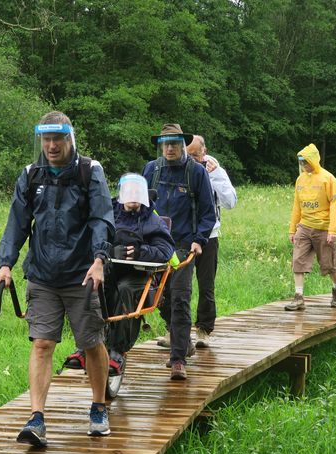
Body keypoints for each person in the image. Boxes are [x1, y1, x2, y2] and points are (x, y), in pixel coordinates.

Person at [0, 111, 115, 447]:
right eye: (45, 140)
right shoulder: (31, 175)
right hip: (43, 275)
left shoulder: (90, 172)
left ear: (68, 139)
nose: (50, 146)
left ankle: (99, 406)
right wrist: (5, 264)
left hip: (81, 275)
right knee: (42, 343)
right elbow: (16, 222)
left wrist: (100, 260)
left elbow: (102, 219)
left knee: (91, 343)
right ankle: (36, 418)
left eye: (56, 139)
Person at [65, 173, 175, 376]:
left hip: (138, 274)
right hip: (110, 269)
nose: (133, 195)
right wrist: (108, 250)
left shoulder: (153, 220)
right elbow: (90, 239)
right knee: (94, 288)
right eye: (129, 191)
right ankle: (85, 347)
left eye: (137, 191)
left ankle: (117, 351)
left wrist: (141, 252)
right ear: (121, 194)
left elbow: (166, 250)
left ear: (143, 195)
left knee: (125, 290)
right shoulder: (108, 217)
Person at [143, 124, 216, 380]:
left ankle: (177, 360)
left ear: (183, 145)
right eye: (166, 144)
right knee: (157, 298)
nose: (170, 148)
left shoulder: (196, 173)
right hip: (154, 246)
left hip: (184, 245)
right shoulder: (151, 170)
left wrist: (200, 240)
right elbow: (141, 207)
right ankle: (182, 342)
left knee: (180, 298)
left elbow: (209, 212)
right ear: (161, 146)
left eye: (175, 143)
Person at [185, 135, 237, 348]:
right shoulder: (179, 168)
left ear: (204, 152)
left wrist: (214, 177)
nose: (193, 159)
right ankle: (176, 330)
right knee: (178, 286)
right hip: (183, 236)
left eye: (196, 155)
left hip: (209, 237)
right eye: (189, 155)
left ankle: (204, 330)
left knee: (206, 286)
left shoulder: (215, 170)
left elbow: (230, 202)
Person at [285, 143, 336, 311]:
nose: (303, 165)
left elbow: (335, 206)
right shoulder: (300, 179)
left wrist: (332, 230)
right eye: (301, 162)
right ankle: (298, 297)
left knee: (329, 264)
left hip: (324, 227)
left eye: (306, 161)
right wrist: (292, 229)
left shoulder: (329, 179)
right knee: (297, 260)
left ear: (314, 160)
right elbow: (297, 206)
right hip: (304, 227)